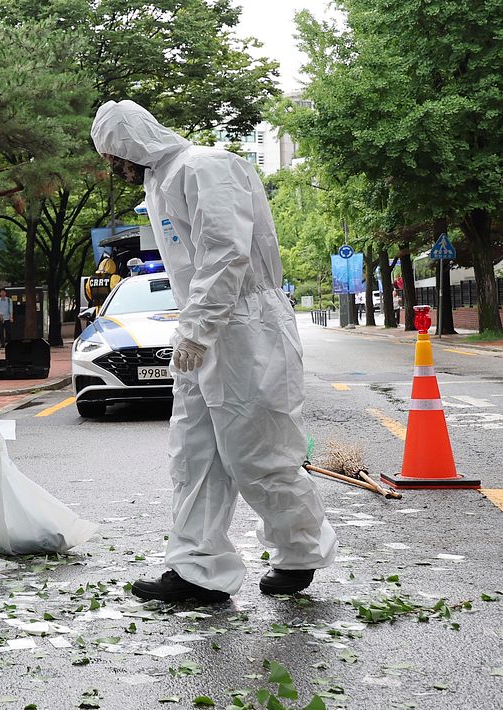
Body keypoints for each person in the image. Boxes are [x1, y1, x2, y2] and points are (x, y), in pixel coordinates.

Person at [91, 99, 337, 602]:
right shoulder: (161, 180)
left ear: (130, 143)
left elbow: (226, 251)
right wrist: (194, 329)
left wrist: (198, 329)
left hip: (248, 328)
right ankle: (196, 570)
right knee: (193, 454)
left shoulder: (205, 166)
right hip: (203, 328)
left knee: (259, 451)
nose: (114, 167)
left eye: (114, 156)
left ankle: (300, 551)